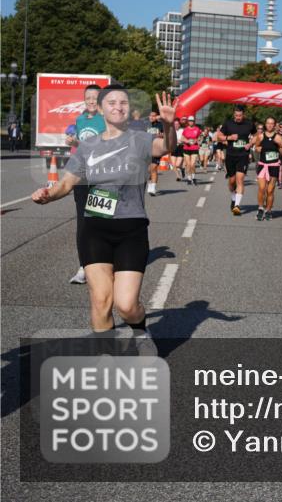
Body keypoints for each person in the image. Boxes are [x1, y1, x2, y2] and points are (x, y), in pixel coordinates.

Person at [32, 87, 179, 356]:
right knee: (100, 300)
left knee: (126, 304)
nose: (118, 106)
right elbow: (66, 183)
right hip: (94, 229)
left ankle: (140, 330)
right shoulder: (88, 146)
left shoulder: (140, 140)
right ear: (101, 110)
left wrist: (169, 126)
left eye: (123, 102)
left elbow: (167, 146)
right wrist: (47, 195)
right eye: (111, 102)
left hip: (130, 229)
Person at [66, 83, 107, 285]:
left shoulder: (108, 119)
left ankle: (103, 263)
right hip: (82, 176)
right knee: (83, 221)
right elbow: (81, 147)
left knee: (100, 220)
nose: (91, 100)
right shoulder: (80, 119)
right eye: (88, 97)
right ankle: (84, 266)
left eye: (95, 97)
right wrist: (73, 143)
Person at [217, 105, 254, 216]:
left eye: (240, 115)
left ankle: (237, 206)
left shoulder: (249, 124)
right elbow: (219, 136)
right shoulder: (228, 123)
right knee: (232, 181)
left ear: (243, 115)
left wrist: (251, 143)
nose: (238, 117)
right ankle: (233, 198)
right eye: (236, 115)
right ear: (234, 114)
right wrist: (229, 138)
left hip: (243, 155)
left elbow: (257, 135)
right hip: (231, 155)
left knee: (240, 180)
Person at [253, 116, 282, 221]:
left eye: (272, 123)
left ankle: (268, 210)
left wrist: (280, 146)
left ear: (274, 125)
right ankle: (260, 208)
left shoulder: (278, 137)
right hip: (263, 165)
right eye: (268, 123)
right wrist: (260, 148)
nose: (270, 125)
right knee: (262, 188)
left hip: (274, 166)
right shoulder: (261, 136)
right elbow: (256, 148)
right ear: (265, 124)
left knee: (270, 191)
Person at [145, 111, 164, 196]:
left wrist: (161, 135)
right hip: (146, 149)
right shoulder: (145, 124)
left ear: (156, 117)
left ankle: (153, 187)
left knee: (154, 168)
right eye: (150, 116)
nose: (152, 117)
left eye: (154, 116)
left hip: (156, 148)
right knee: (148, 169)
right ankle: (150, 182)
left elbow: (165, 134)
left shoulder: (160, 125)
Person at [180, 116, 201, 185]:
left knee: (192, 164)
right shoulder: (185, 129)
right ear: (188, 122)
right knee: (188, 165)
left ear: (194, 122)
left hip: (194, 148)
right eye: (189, 121)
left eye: (192, 121)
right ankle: (189, 178)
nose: (191, 122)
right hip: (186, 148)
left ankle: (194, 177)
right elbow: (181, 138)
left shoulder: (197, 129)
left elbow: (200, 137)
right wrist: (187, 141)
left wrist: (197, 141)